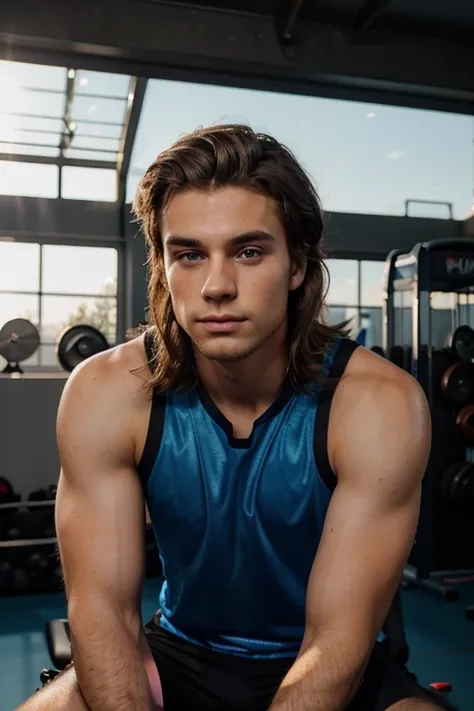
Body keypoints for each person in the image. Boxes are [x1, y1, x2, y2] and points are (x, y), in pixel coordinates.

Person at [17, 124, 455, 711]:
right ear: (163, 267)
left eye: (249, 251)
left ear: (298, 265)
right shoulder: (106, 391)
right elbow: (104, 614)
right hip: (178, 653)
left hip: (329, 665)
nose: (217, 286)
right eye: (189, 254)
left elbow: (336, 642)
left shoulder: (377, 403)